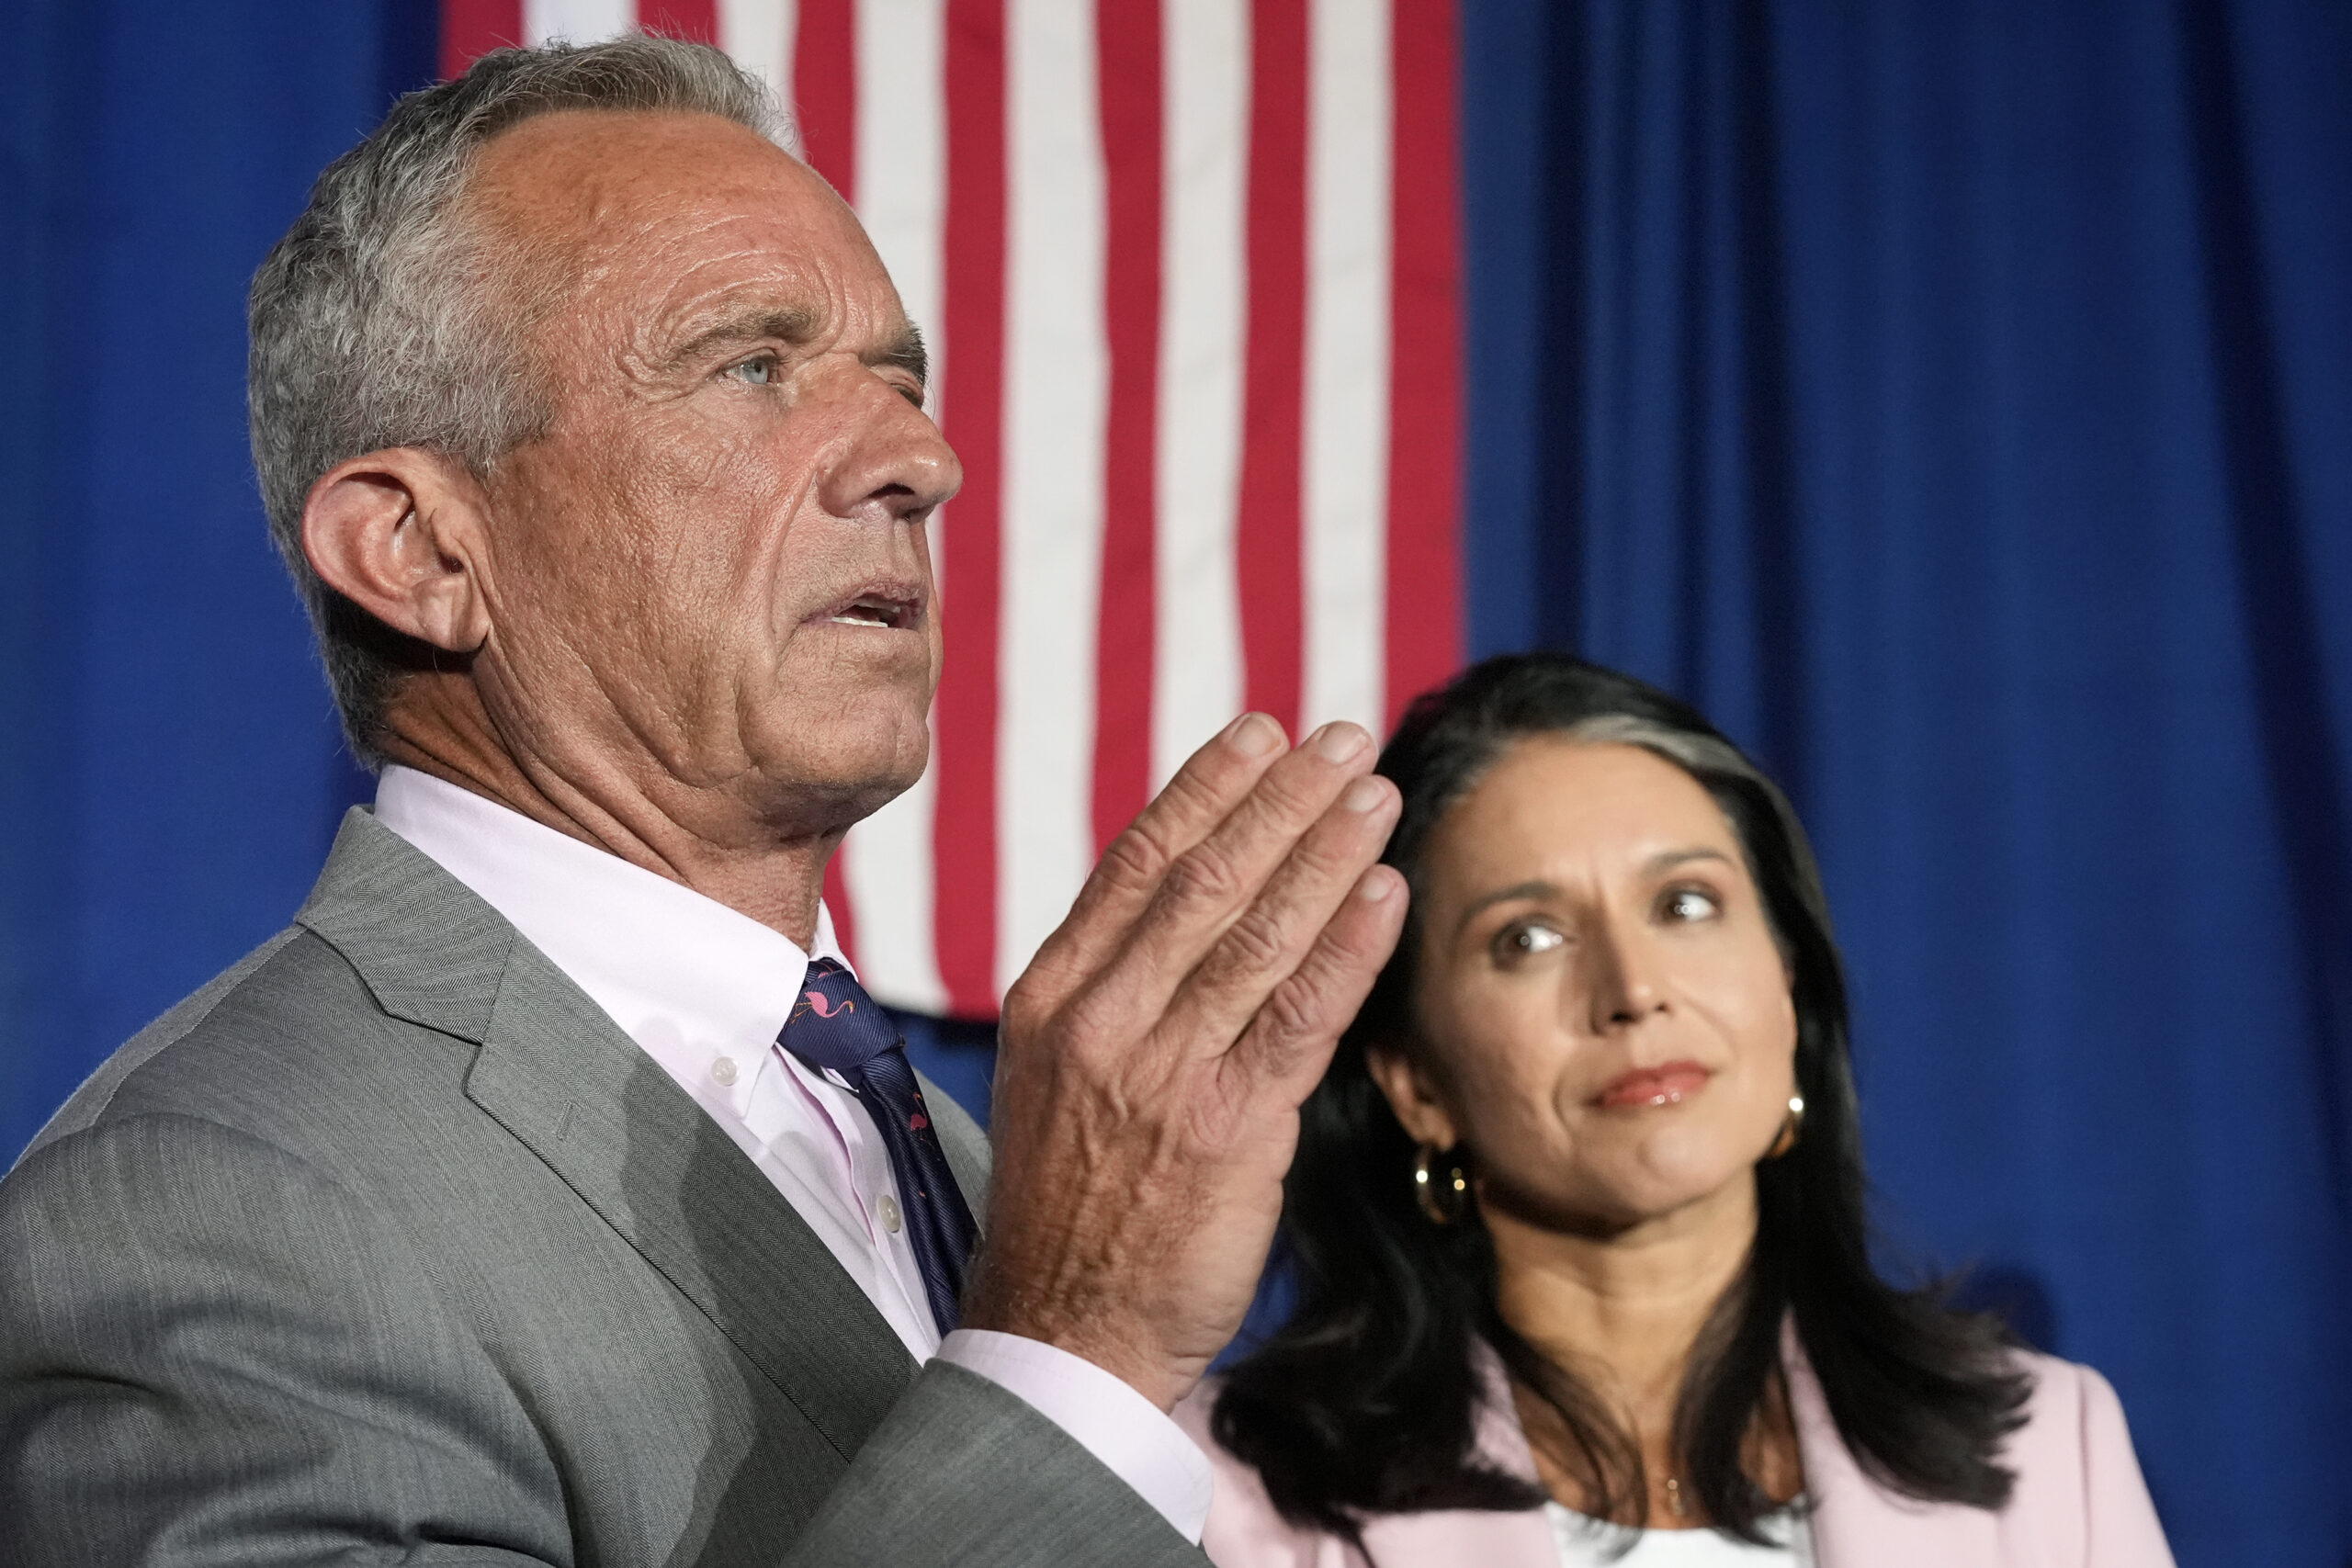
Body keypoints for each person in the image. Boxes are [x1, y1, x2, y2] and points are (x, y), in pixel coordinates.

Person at [0, 37, 1412, 1567]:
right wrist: (1066, 1361)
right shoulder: (212, 1204)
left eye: (899, 379)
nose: (921, 460)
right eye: (752, 364)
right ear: (421, 548)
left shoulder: (957, 1154)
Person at [1177, 654, 2174, 1567]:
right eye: (1527, 938)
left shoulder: (2049, 1446)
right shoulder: (1222, 1497)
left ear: (1785, 988)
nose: (1633, 989)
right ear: (1415, 1084)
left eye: (1685, 905)